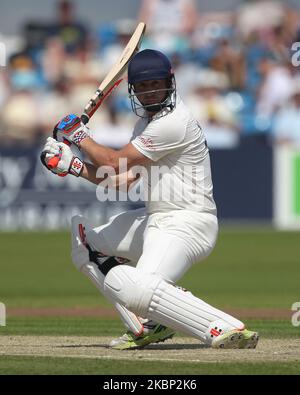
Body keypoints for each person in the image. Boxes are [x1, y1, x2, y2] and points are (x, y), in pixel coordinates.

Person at [41, 49, 259, 350]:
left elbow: (115, 160)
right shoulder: (145, 123)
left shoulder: (174, 122)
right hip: (156, 219)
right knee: (87, 246)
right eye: (142, 87)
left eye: (155, 84)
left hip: (187, 223)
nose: (149, 92)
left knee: (137, 290)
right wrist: (75, 166)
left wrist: (80, 137)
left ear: (170, 82)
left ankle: (223, 326)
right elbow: (122, 180)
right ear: (132, 91)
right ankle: (145, 327)